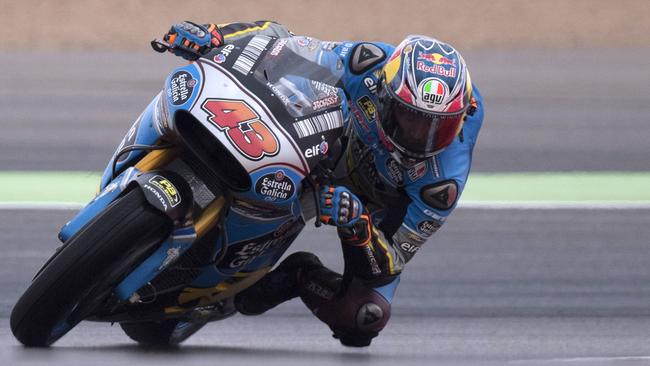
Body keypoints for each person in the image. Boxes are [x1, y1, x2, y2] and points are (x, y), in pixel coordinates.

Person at [161, 20, 484, 347]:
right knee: (276, 51)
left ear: (458, 120)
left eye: (437, 127)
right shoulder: (369, 64)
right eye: (410, 118)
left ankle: (296, 276)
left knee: (364, 316)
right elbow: (286, 45)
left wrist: (359, 226)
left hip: (373, 204)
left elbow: (391, 263)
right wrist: (217, 36)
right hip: (330, 140)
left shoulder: (441, 185)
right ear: (386, 96)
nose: (421, 137)